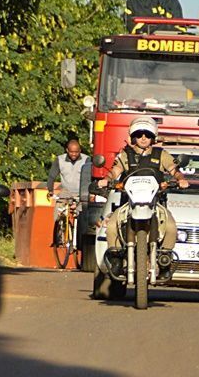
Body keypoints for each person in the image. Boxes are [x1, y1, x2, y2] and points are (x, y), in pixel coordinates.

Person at [100, 117, 189, 274]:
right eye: (139, 134)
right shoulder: (125, 155)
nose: (143, 138)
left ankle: (165, 260)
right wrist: (106, 180)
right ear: (134, 136)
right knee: (112, 225)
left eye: (147, 135)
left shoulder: (161, 154)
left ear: (153, 137)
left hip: (155, 202)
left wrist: (181, 180)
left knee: (171, 227)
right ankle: (116, 258)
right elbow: (115, 171)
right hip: (129, 202)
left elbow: (175, 170)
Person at [45, 138, 91, 246]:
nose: (74, 154)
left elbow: (90, 177)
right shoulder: (59, 160)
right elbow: (51, 176)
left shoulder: (87, 159)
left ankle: (80, 239)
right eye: (71, 152)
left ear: (80, 150)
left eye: (76, 152)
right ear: (67, 150)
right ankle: (60, 233)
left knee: (83, 214)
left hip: (81, 191)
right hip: (66, 191)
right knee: (59, 208)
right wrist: (50, 190)